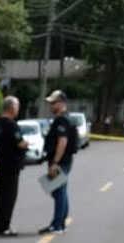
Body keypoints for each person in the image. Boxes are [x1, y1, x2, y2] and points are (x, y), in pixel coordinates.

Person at [40, 90, 76, 235]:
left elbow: (62, 141)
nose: (51, 105)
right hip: (63, 160)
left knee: (59, 192)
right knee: (60, 191)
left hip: (60, 161)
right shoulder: (65, 118)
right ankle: (59, 222)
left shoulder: (62, 120)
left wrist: (55, 163)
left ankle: (58, 225)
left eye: (54, 103)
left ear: (62, 103)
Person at [0, 96, 28, 237]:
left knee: (2, 197)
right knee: (9, 197)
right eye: (17, 107)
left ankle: (1, 225)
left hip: (1, 163)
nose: (18, 110)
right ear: (12, 108)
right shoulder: (11, 125)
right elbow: (19, 143)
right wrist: (26, 144)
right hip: (11, 165)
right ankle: (5, 227)